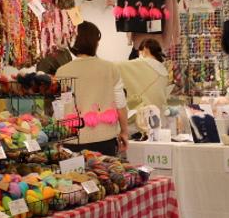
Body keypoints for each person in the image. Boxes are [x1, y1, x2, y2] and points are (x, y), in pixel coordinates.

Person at [56, 22, 129, 155]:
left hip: (71, 140)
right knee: (106, 169)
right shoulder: (110, 68)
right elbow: (120, 104)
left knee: (74, 170)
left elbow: (60, 108)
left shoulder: (62, 71)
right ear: (94, 43)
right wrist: (124, 132)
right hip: (105, 139)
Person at [117, 39, 169, 114]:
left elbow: (115, 67)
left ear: (144, 49)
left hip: (144, 114)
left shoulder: (141, 63)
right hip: (160, 113)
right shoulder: (163, 69)